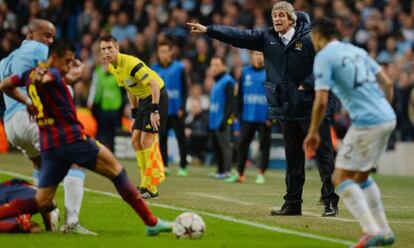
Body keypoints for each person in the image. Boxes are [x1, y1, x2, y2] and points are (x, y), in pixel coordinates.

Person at [0, 41, 172, 236]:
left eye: (72, 61)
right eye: (67, 61)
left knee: (42, 200)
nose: (69, 66)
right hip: (71, 138)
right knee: (117, 171)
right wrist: (79, 69)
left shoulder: (29, 74)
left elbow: (5, 85)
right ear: (54, 58)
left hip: (49, 143)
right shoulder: (53, 74)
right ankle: (151, 222)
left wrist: (28, 101)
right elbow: (60, 77)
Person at [187, 1, 339, 216]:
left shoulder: (309, 39)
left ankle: (330, 201)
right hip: (287, 109)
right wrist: (209, 30)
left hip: (312, 108)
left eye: (281, 15)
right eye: (274, 15)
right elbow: (239, 36)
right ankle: (293, 204)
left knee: (324, 156)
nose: (276, 19)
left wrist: (308, 83)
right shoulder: (268, 38)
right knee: (293, 159)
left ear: (291, 19)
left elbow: (327, 64)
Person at [304, 17, 396, 247]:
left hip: (367, 122)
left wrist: (313, 131)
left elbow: (321, 100)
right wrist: (383, 110)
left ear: (317, 36)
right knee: (361, 177)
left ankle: (371, 230)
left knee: (340, 178)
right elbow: (387, 83)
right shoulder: (356, 50)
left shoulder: (324, 57)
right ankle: (384, 231)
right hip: (387, 117)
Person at [0, 19, 92, 233]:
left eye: (52, 36)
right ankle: (72, 222)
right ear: (30, 35)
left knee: (41, 166)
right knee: (75, 160)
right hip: (33, 117)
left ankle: (48, 218)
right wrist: (82, 69)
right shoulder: (39, 49)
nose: (50, 40)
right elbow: (67, 76)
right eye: (46, 35)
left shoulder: (4, 61)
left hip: (11, 125)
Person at [99, 33, 168, 199]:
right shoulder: (112, 67)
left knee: (146, 141)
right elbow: (129, 89)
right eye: (103, 49)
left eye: (110, 48)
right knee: (135, 140)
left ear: (117, 48)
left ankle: (149, 186)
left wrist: (155, 111)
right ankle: (147, 184)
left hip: (156, 96)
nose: (106, 52)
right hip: (143, 101)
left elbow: (153, 84)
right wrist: (134, 114)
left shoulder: (131, 63)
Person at [225, 51, 272, 184]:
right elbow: (238, 95)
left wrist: (271, 115)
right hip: (247, 116)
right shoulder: (245, 73)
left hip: (264, 118)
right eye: (256, 54)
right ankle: (240, 173)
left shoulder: (270, 72)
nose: (258, 57)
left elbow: (275, 96)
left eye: (261, 54)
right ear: (251, 56)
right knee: (242, 145)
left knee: (264, 146)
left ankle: (261, 172)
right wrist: (237, 114)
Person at [152, 41, 188, 177]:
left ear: (171, 52)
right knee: (162, 139)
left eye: (166, 51)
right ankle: (164, 165)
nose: (163, 54)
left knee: (181, 139)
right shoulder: (154, 69)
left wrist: (182, 108)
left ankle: (183, 166)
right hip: (162, 111)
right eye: (161, 52)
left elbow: (185, 89)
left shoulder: (179, 68)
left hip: (177, 111)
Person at [208, 57, 235, 179]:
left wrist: (225, 120)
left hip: (222, 120)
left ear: (223, 66)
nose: (214, 67)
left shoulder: (228, 81)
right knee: (216, 146)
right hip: (214, 120)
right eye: (212, 65)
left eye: (217, 64)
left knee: (225, 146)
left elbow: (231, 103)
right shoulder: (217, 81)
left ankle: (227, 171)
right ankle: (220, 170)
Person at [87, 63, 123, 152]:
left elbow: (124, 90)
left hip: (116, 108)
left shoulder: (117, 73)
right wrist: (92, 101)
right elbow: (95, 88)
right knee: (104, 131)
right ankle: (106, 150)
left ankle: (116, 150)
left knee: (115, 131)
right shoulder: (99, 74)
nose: (106, 67)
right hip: (104, 107)